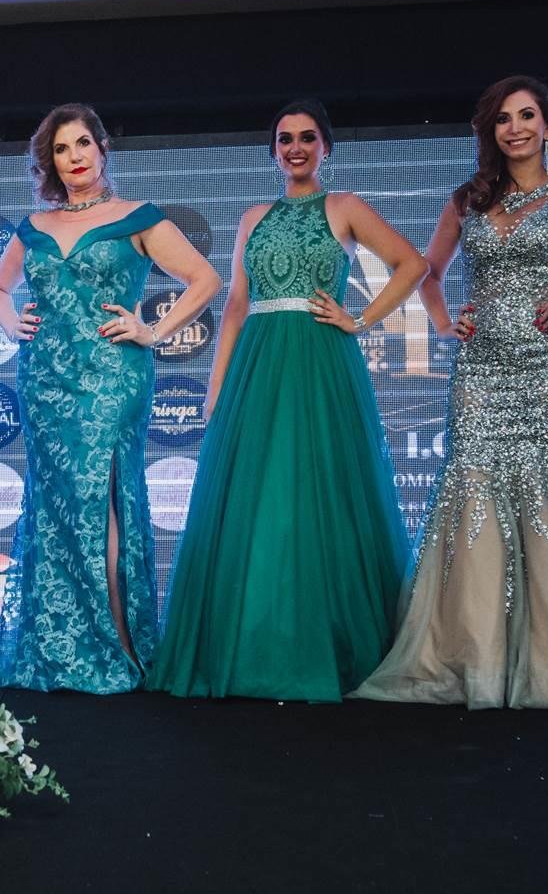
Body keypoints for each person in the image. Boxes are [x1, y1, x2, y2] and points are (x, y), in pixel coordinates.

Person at [354, 75, 548, 709]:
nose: (516, 128)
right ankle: (477, 656)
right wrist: (444, 323)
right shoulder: (467, 200)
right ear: (491, 131)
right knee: (473, 489)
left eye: (527, 116)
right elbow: (427, 274)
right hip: (481, 369)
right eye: (503, 118)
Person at [148, 99, 427, 701]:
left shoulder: (346, 207)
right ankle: (253, 645)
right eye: (284, 139)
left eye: (306, 138)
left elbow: (413, 264)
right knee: (259, 497)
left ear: (325, 146)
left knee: (319, 493)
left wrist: (360, 320)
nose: (295, 148)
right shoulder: (254, 217)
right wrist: (216, 388)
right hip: (257, 365)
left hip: (321, 362)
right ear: (273, 150)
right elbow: (235, 306)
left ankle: (324, 644)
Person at [0, 103, 220, 693]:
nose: (74, 157)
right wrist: (10, 322)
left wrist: (153, 331)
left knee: (102, 502)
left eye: (82, 144)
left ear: (102, 147)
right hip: (44, 383)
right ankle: (59, 645)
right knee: (57, 507)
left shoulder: (137, 217)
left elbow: (206, 280)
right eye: (61, 149)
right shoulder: (33, 226)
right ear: (50, 162)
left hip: (112, 379)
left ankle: (116, 645)